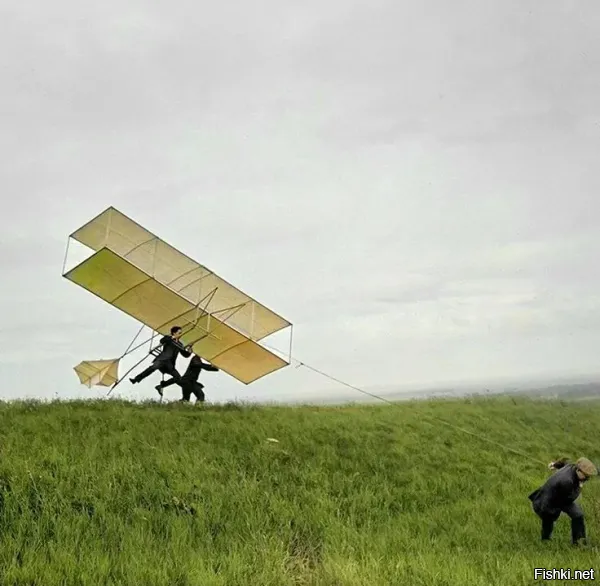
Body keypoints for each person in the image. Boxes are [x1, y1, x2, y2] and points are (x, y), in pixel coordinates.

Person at [528, 457, 597, 545]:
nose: (587, 479)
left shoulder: (572, 466)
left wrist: (554, 464)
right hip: (548, 500)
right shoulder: (567, 481)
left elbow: (564, 461)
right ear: (578, 470)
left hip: (559, 496)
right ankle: (545, 541)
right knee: (548, 519)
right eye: (586, 476)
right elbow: (570, 498)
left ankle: (579, 542)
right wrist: (580, 486)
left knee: (578, 515)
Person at [129, 326, 191, 396]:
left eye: (181, 333)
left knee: (178, 378)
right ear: (174, 333)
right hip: (162, 359)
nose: (181, 334)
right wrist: (172, 337)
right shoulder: (168, 338)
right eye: (179, 333)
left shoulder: (180, 344)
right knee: (152, 368)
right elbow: (162, 341)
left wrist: (189, 350)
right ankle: (136, 379)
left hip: (170, 364)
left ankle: (161, 386)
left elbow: (185, 355)